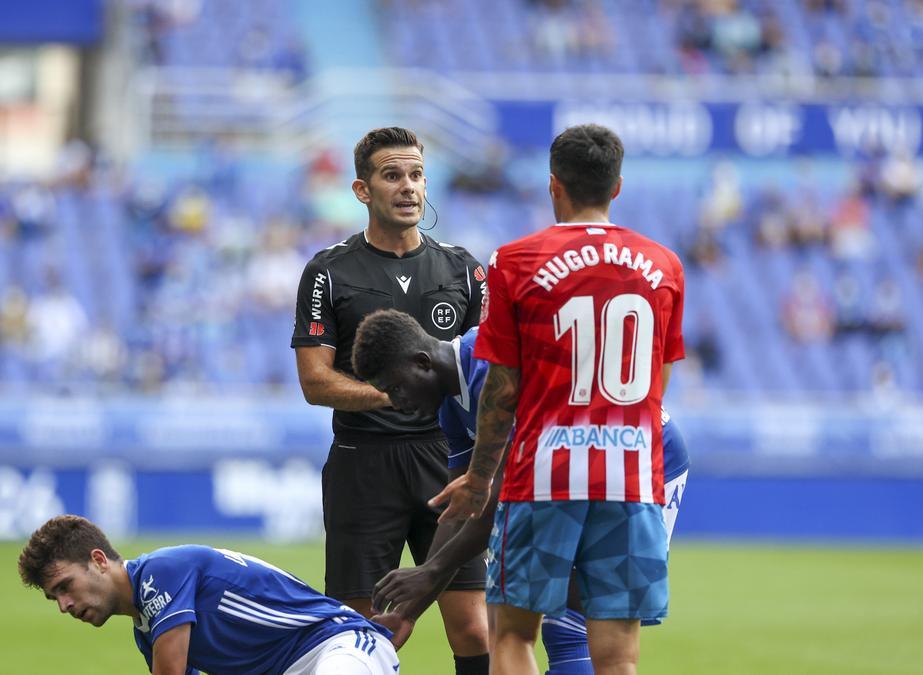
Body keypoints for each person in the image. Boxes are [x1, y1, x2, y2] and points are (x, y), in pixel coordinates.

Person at [432, 124, 686, 675]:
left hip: (545, 473)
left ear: (554, 186)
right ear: (617, 187)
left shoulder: (514, 261)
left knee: (513, 636)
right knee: (619, 658)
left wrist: (479, 481)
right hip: (631, 476)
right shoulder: (665, 266)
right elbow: (657, 383)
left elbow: (501, 392)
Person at [351, 310, 690, 674]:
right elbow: (465, 505)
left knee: (587, 604)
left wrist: (433, 572)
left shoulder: (491, 366)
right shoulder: (451, 403)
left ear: (422, 362)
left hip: (644, 455)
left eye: (395, 387)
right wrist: (408, 611)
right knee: (562, 613)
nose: (395, 402)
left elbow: (506, 492)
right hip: (582, 463)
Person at [291, 127, 491, 674]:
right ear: (362, 190)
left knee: (474, 624)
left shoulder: (465, 271)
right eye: (392, 175)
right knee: (361, 631)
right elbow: (315, 381)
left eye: (417, 175)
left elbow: (494, 373)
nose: (408, 187)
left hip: (446, 461)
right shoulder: (329, 272)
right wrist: (399, 393)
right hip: (364, 463)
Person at [17, 514, 399, 675]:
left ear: (99, 560)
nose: (65, 605)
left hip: (341, 645)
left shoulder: (159, 573)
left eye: (65, 586)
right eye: (55, 598)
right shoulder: (148, 631)